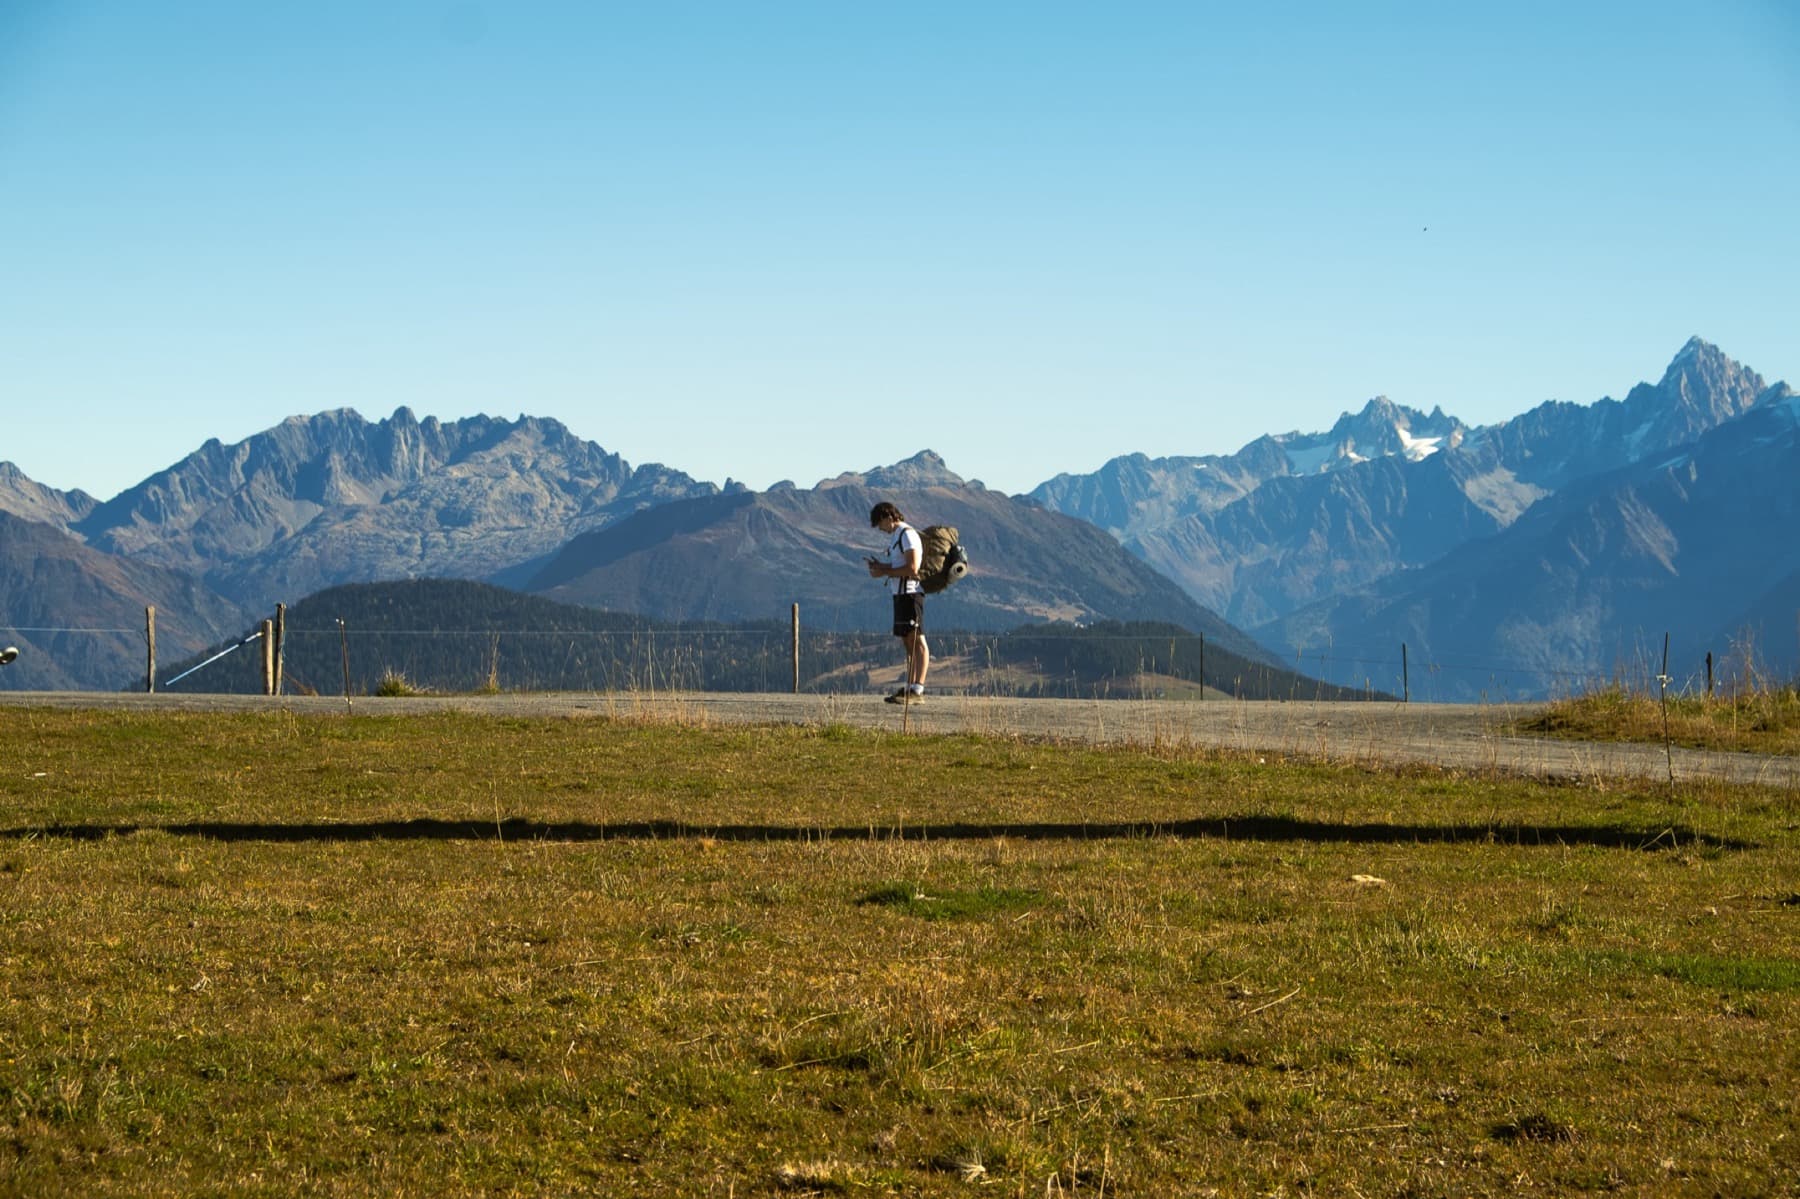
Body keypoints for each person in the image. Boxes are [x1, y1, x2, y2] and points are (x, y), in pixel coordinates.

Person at [865, 501, 930, 704]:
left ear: (888, 517)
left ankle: (918, 688)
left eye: (880, 524)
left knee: (917, 639)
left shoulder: (907, 535)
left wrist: (884, 570)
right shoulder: (897, 537)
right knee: (907, 640)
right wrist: (882, 567)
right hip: (900, 594)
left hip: (911, 593)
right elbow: (899, 566)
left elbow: (912, 568)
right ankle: (911, 687)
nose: (880, 529)